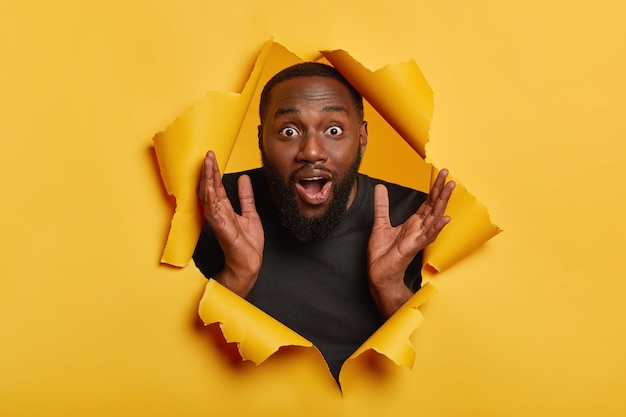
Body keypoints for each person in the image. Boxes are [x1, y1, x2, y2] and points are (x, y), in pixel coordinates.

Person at [193, 62, 455, 380]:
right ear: (262, 139)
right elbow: (173, 360)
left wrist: (389, 287)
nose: (312, 151)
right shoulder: (214, 210)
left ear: (361, 137)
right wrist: (236, 276)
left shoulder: (418, 221)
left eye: (333, 130)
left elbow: (447, 372)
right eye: (289, 131)